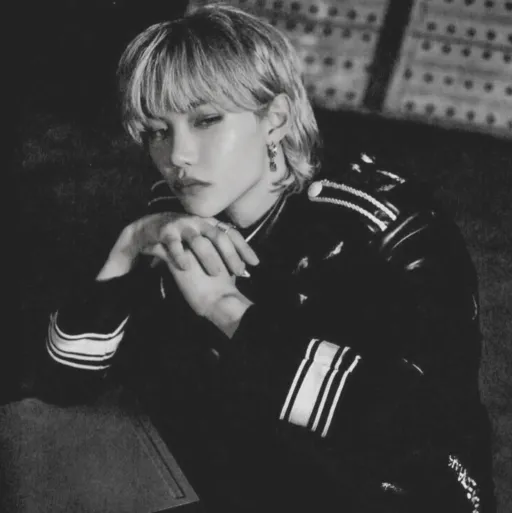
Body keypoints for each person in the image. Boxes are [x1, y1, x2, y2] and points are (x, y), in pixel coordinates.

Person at [37, 3, 496, 512]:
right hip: (244, 480)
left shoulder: (383, 226)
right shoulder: (172, 212)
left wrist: (225, 308)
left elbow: (411, 430)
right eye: (157, 131)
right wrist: (132, 242)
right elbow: (64, 382)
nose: (178, 156)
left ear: (274, 118)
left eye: (206, 120)